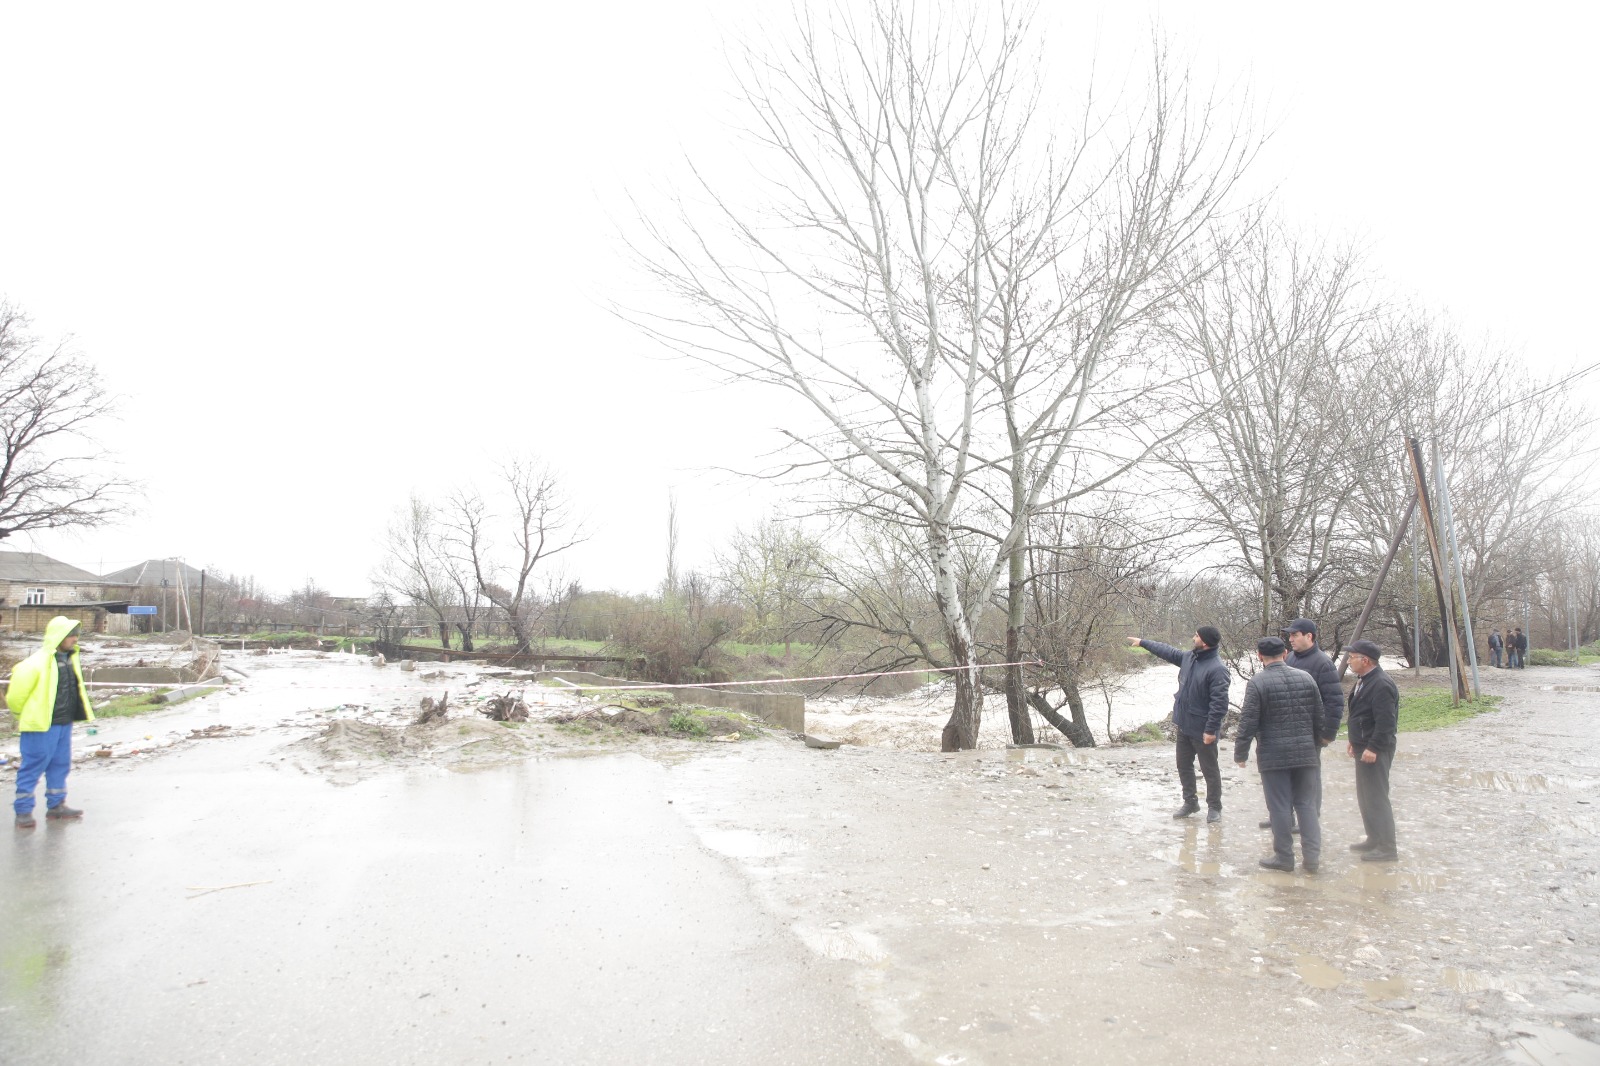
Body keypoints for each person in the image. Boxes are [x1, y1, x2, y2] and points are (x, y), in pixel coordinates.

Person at [1234, 636, 1323, 873]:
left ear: (1259, 656)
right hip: (1306, 753)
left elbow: (1248, 721)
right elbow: (1319, 718)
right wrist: (1316, 745)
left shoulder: (1258, 683)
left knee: (1280, 807)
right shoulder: (1306, 678)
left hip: (1274, 755)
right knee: (1306, 805)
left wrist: (1240, 752)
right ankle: (1312, 859)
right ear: (1285, 653)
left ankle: (1285, 858)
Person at [1126, 626, 1230, 823]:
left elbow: (1219, 704)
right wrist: (1143, 642)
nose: (1193, 637)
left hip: (1203, 729)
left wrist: (1210, 730)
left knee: (1209, 769)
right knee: (1183, 765)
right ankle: (1190, 802)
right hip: (1183, 724)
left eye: (1196, 636)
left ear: (1205, 642)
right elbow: (1168, 651)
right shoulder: (1190, 657)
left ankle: (1215, 807)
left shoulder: (1218, 669)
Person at [7, 616, 95, 829]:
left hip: (63, 723)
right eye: (71, 635)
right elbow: (14, 698)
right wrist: (24, 716)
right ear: (59, 637)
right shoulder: (34, 664)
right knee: (33, 766)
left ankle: (56, 807)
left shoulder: (70, 659)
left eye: (77, 634)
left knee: (60, 765)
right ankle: (23, 811)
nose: (75, 639)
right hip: (40, 725)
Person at [1258, 618, 1343, 833]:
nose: (1291, 639)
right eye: (1290, 635)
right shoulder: (1291, 658)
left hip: (1311, 732)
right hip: (1288, 729)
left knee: (1310, 780)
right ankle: (1283, 816)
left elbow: (1334, 701)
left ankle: (1310, 819)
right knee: (1285, 776)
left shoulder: (1322, 663)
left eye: (1295, 635)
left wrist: (1328, 733)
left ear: (1309, 636)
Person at [1344, 638, 1399, 861]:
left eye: (1351, 657)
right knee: (1365, 796)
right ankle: (1373, 838)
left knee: (1376, 797)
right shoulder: (1364, 680)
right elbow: (1361, 715)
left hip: (1376, 749)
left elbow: (1386, 722)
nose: (1348, 661)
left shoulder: (1381, 684)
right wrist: (1354, 740)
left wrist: (1373, 747)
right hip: (1362, 746)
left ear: (1365, 660)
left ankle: (1387, 847)